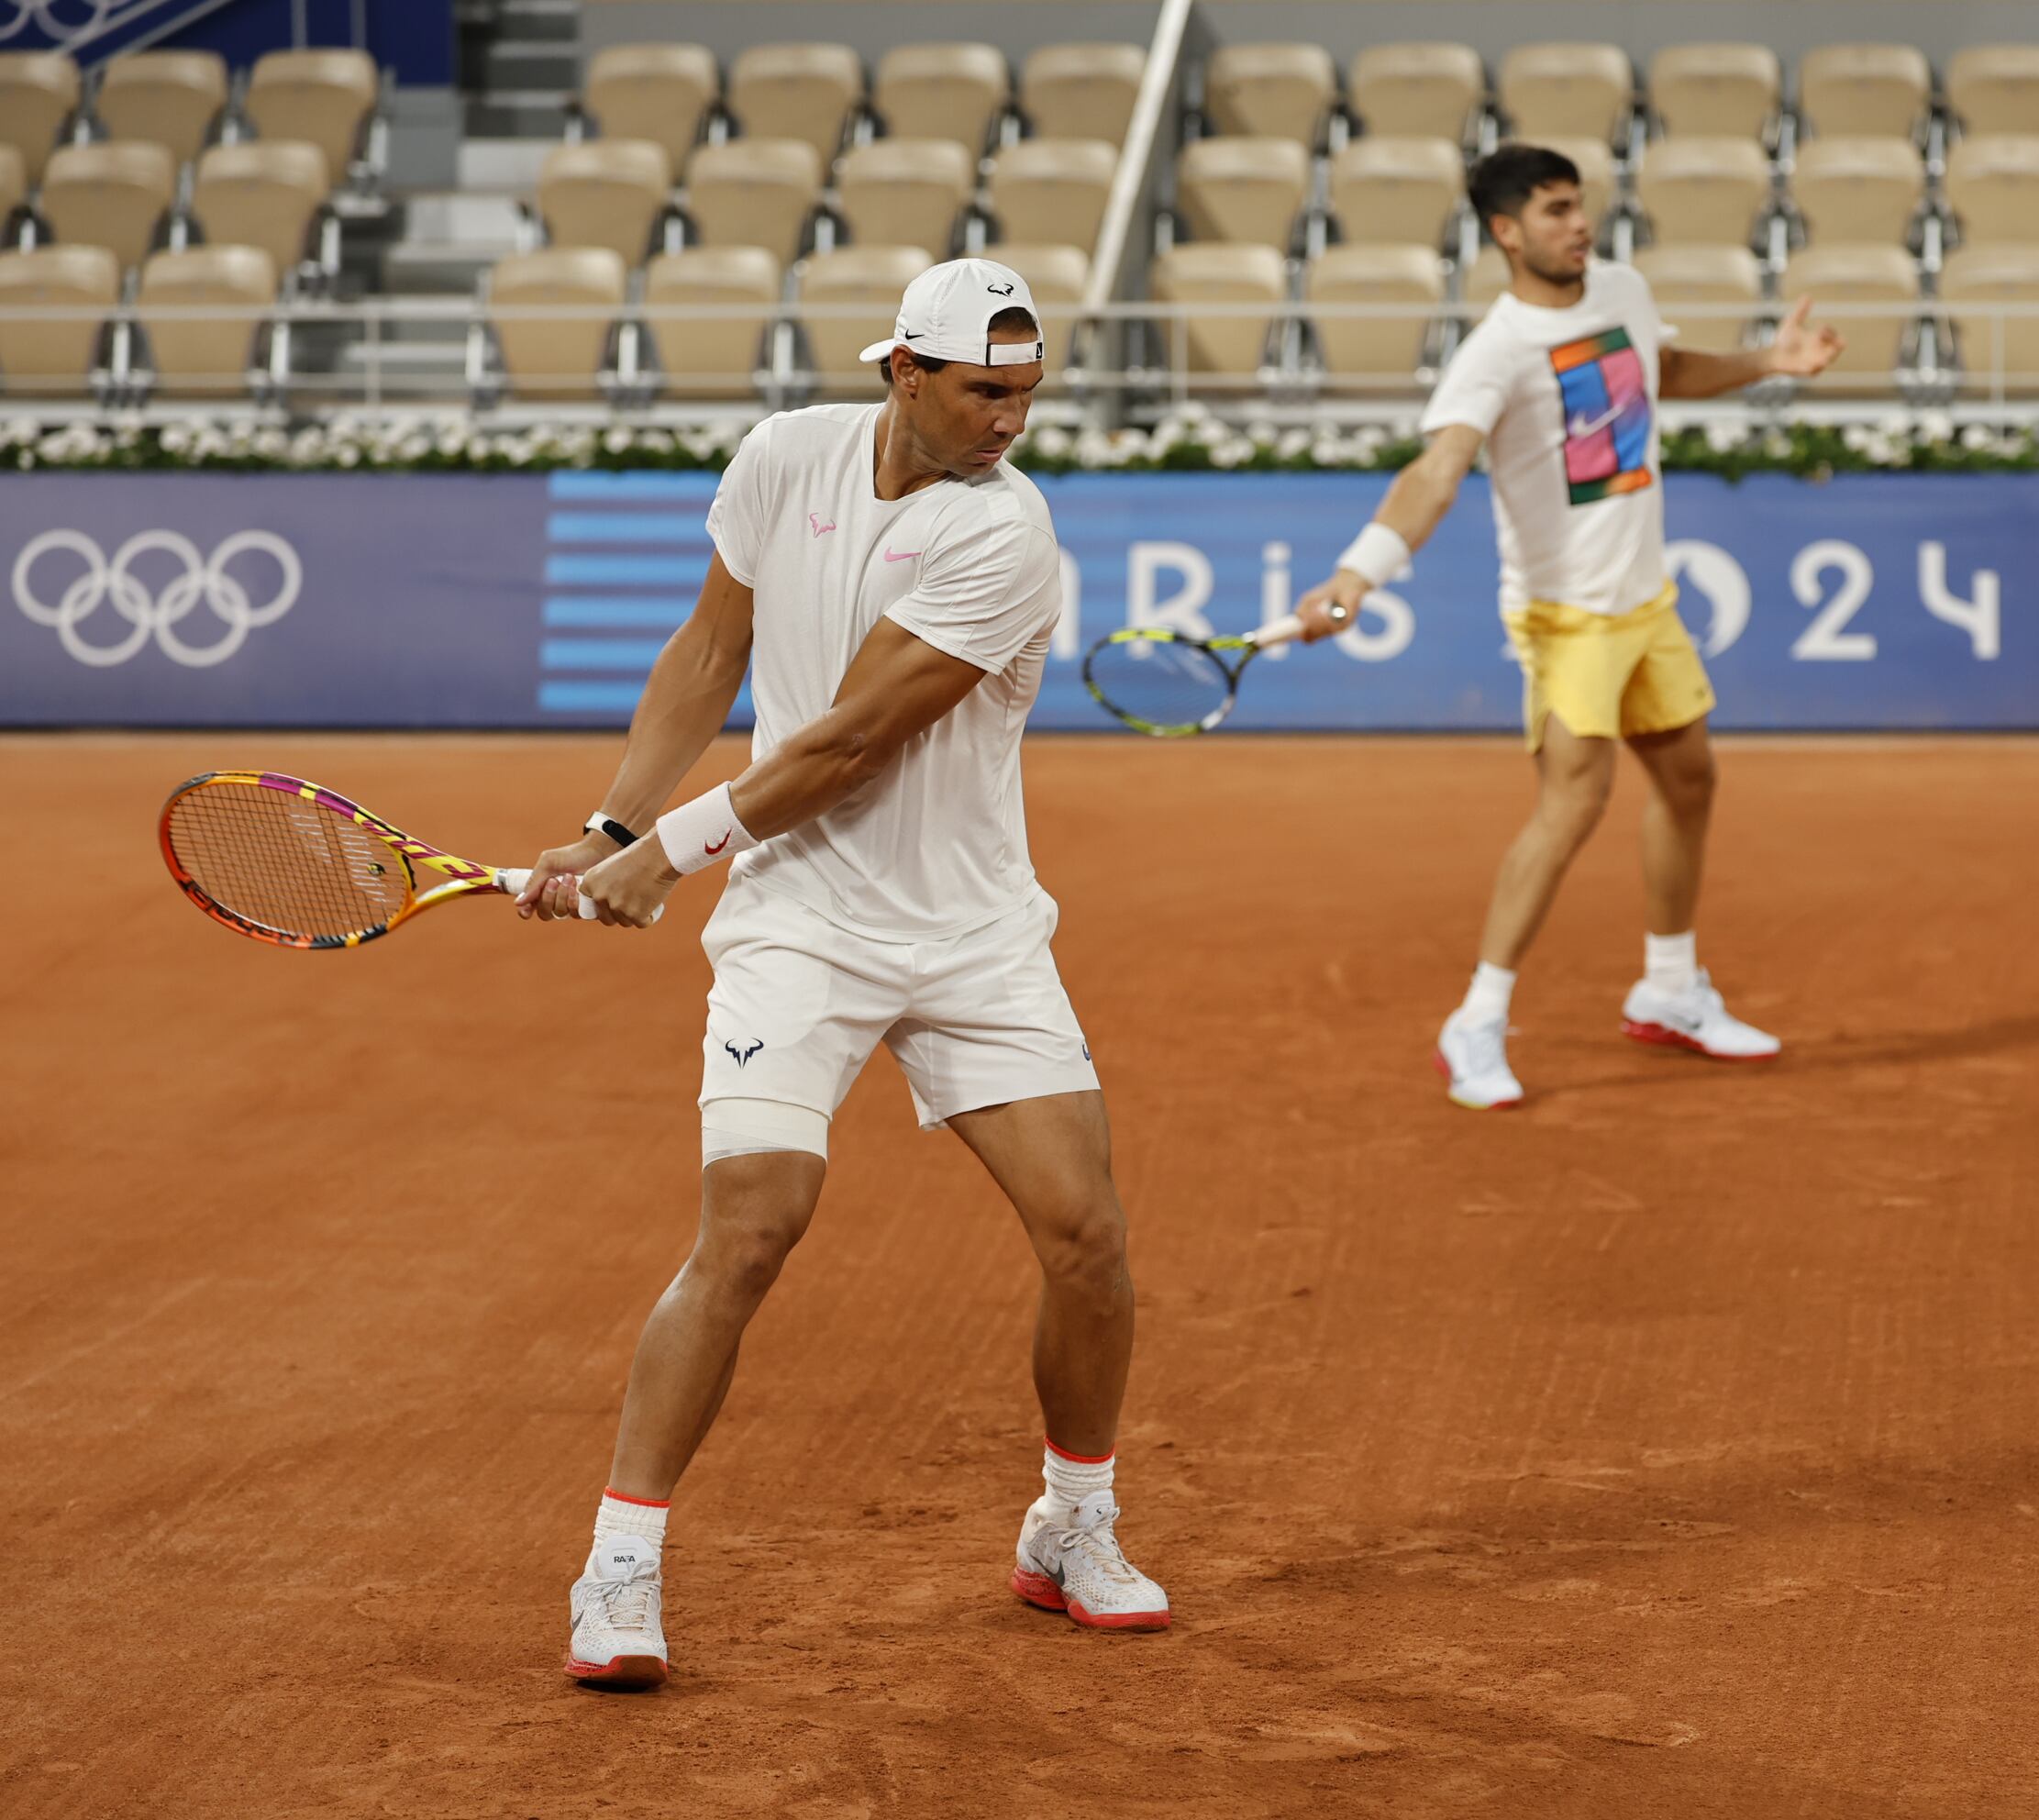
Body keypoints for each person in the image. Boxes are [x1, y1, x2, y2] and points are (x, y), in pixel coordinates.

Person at [516, 258, 1169, 1690]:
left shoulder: (1010, 534)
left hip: (972, 935)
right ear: (904, 373)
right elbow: (709, 649)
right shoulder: (783, 457)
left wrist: (665, 855)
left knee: (1088, 1240)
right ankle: (617, 1568)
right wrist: (618, 822)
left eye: (1027, 394)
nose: (1012, 419)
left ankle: (1075, 1521)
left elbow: (846, 743)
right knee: (751, 1228)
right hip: (801, 921)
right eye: (985, 390)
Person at [1289, 144, 1845, 1110]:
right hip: (1567, 616)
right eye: (1554, 211)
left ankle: (1670, 990)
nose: (1578, 224)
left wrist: (1765, 361)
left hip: (1646, 598)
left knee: (1689, 778)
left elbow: (1660, 367)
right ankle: (1477, 1020)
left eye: (1580, 206)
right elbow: (1437, 470)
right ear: (1506, 231)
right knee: (1574, 805)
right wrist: (1359, 572)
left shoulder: (1622, 289)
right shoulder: (1494, 353)